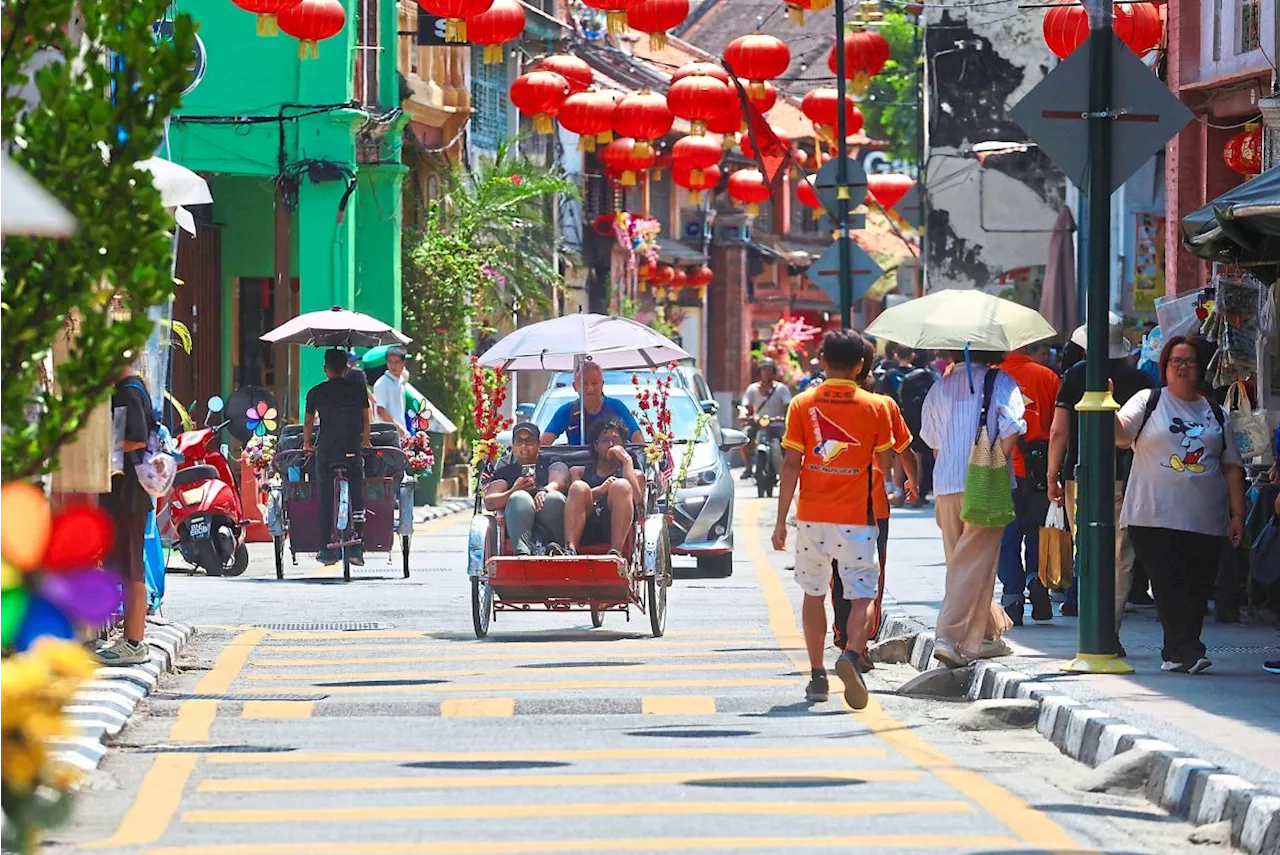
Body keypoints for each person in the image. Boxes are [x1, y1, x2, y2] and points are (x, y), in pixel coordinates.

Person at [772, 329, 893, 710]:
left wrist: (780, 521)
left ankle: (817, 675)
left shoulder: (801, 404)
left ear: (821, 360)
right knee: (862, 595)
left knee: (814, 594)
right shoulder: (876, 406)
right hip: (857, 517)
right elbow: (885, 464)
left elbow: (791, 464)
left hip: (812, 517)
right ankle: (852, 654)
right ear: (860, 365)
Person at [1115, 336, 1247, 674]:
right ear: (1165, 367)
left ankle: (1176, 652)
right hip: (1153, 514)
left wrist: (1237, 515)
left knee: (1198, 587)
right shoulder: (1149, 401)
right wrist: (1104, 402)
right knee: (1168, 582)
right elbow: (1120, 434)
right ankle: (1189, 650)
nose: (1183, 367)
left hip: (1205, 518)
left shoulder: (1215, 411)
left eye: (1189, 361)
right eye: (1176, 361)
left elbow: (1232, 467)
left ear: (1200, 367)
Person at [920, 350, 1027, 667]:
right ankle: (948, 638)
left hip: (946, 484)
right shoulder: (1002, 381)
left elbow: (933, 440)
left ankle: (987, 635)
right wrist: (995, 460)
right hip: (984, 485)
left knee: (961, 564)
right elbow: (1013, 426)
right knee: (973, 565)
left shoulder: (940, 386)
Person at [1048, 315, 1153, 625]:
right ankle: (1110, 615)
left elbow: (1059, 431)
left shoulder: (1076, 374)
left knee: (1086, 540)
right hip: (1128, 471)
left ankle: (1083, 602)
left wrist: (1051, 473)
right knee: (1121, 550)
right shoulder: (1140, 379)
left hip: (1079, 472)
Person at [831, 339, 918, 668]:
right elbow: (904, 450)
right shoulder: (883, 406)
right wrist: (912, 480)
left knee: (839, 576)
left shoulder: (815, 405)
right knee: (868, 579)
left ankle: (844, 641)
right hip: (872, 508)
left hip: (831, 506)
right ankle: (859, 647)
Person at [996, 342, 1060, 626]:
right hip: (1041, 470)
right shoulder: (1047, 377)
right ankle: (1037, 581)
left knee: (1006, 537)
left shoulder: (993, 377)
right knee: (1037, 531)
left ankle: (1012, 596)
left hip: (1004, 468)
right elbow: (1059, 427)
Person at [98, 367, 155, 666]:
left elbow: (138, 438)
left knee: (133, 566)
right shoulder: (131, 389)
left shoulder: (129, 391)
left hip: (130, 493)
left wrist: (102, 441)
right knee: (128, 564)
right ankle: (131, 639)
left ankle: (134, 641)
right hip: (128, 492)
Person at [303, 348, 373, 566]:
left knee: (325, 496)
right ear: (346, 368)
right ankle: (357, 547)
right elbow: (365, 419)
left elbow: (308, 422)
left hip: (326, 450)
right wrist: (365, 441)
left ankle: (326, 549)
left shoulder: (315, 392)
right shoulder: (358, 390)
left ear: (326, 370)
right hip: (352, 448)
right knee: (356, 490)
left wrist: (307, 444)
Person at [484, 422, 569, 555]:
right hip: (517, 521)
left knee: (553, 498)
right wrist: (513, 491)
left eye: (529, 441)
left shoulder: (551, 461)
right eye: (519, 441)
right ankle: (522, 552)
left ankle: (557, 548)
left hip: (551, 520)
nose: (524, 445)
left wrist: (544, 491)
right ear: (513, 446)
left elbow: (561, 480)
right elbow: (489, 502)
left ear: (538, 444)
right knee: (519, 498)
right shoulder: (505, 471)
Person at [564, 418, 645, 555]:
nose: (611, 444)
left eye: (616, 440)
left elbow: (638, 501)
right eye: (605, 440)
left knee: (621, 486)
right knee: (578, 486)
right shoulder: (578, 471)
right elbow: (574, 500)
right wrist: (601, 490)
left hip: (617, 526)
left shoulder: (634, 474)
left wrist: (627, 460)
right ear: (596, 445)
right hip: (586, 525)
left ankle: (615, 552)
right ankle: (569, 549)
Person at [541, 362, 643, 446]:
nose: (590, 388)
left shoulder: (616, 407)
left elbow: (637, 438)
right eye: (584, 383)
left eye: (594, 383)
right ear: (575, 386)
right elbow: (543, 444)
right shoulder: (566, 411)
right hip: (574, 466)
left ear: (602, 384)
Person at [738, 357, 793, 479]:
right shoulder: (752, 389)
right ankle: (748, 466)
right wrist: (743, 413)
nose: (766, 372)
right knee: (742, 439)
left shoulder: (781, 389)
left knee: (788, 444)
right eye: (763, 369)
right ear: (759, 372)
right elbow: (745, 405)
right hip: (758, 422)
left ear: (773, 372)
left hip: (777, 424)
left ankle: (784, 470)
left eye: (769, 370)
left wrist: (785, 417)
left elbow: (788, 406)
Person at [898, 349, 937, 503]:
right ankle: (920, 491)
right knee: (925, 455)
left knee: (914, 454)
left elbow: (901, 399)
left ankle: (912, 491)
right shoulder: (932, 376)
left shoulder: (908, 378)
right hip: (927, 419)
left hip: (910, 419)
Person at [373, 346, 410, 437]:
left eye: (396, 362)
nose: (393, 366)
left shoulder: (400, 382)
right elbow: (380, 410)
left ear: (403, 363)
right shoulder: (382, 383)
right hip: (385, 436)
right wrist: (401, 431)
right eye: (390, 362)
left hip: (398, 436)